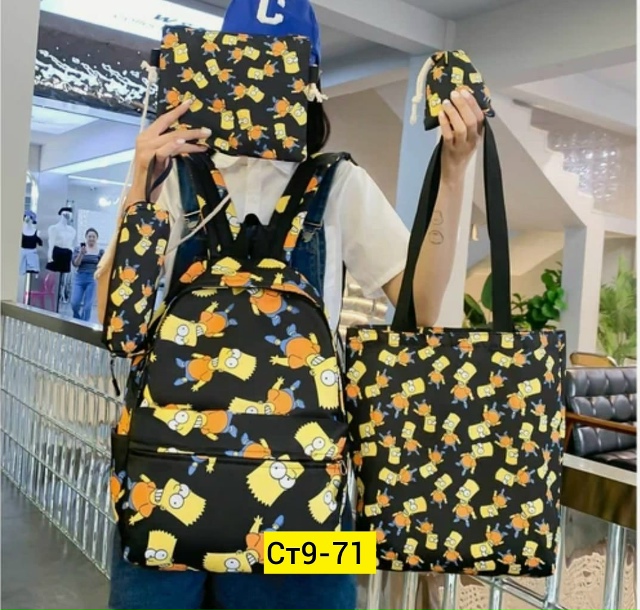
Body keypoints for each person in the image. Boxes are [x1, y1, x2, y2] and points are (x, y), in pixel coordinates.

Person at [96, 11, 484, 610]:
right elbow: (113, 320)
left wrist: (455, 174)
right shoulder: (171, 173)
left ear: (307, 81)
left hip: (201, 484)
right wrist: (139, 183)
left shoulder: (339, 181)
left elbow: (423, 311)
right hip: (202, 483)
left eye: (275, 63)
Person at [71, 228, 103, 321]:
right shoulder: (78, 249)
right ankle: (77, 319)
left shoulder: (100, 251)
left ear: (96, 238)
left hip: (92, 279)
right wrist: (81, 253)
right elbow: (75, 264)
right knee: (74, 303)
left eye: (93, 237)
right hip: (79, 278)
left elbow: (102, 266)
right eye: (89, 236)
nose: (91, 238)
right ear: (86, 237)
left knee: (87, 307)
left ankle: (84, 325)